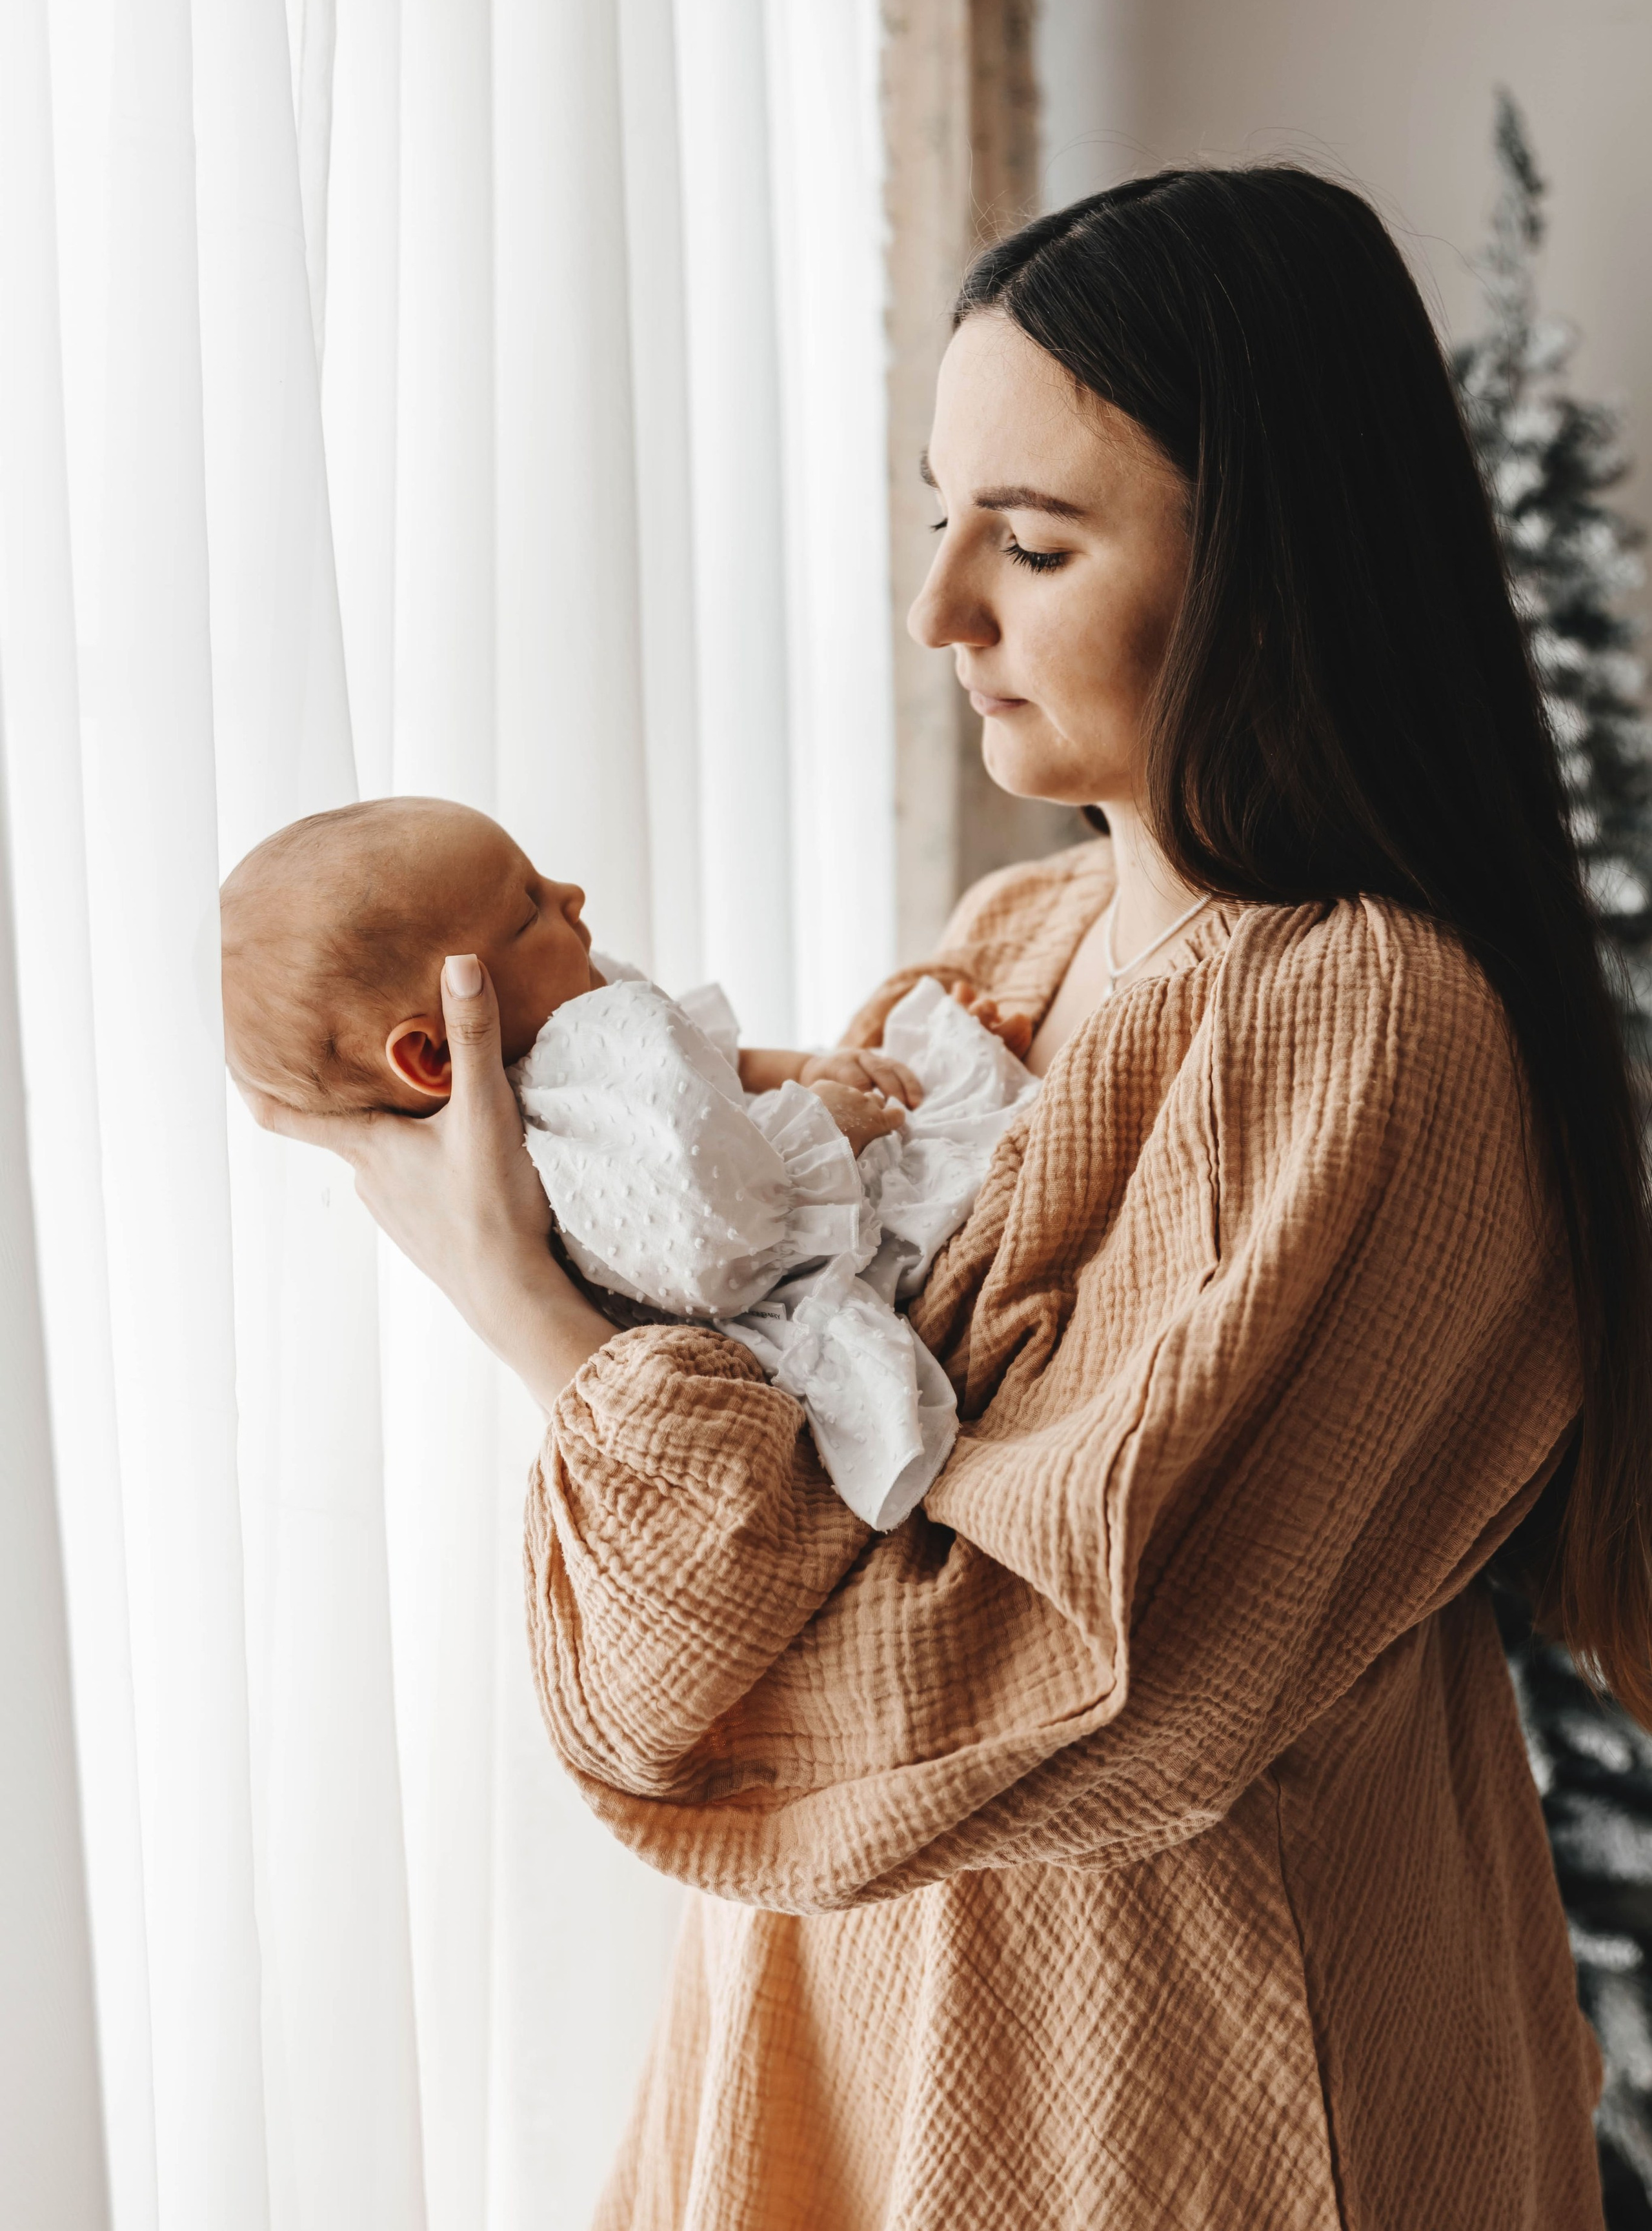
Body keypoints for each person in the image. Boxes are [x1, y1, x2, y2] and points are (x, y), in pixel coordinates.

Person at [247, 166, 1652, 2228]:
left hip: (1178, 2092)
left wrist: (528, 1310)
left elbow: (1031, 1685)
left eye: (1036, 538)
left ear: (1271, 563)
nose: (939, 611)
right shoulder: (1012, 946)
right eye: (937, 513)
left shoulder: (1361, 1019)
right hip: (864, 2032)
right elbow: (721, 1631)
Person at [220, 796, 1034, 1528]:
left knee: (935, 1071)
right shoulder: (559, 1139)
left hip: (789, 1186)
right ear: (433, 1052)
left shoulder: (572, 1016)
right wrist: (824, 1118)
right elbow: (722, 1241)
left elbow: (711, 1060)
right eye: (527, 909)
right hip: (776, 1280)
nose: (570, 896)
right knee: (969, 1167)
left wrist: (811, 1066)